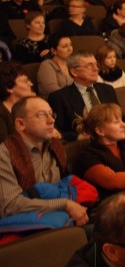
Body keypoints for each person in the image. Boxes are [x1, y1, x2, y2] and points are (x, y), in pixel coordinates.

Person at [0, 96, 91, 226]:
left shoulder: (55, 146)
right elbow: (9, 206)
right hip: (27, 227)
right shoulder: (4, 154)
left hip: (63, 218)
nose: (51, 120)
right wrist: (64, 205)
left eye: (51, 114)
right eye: (42, 115)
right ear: (20, 124)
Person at [48, 52, 119, 141]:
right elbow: (57, 132)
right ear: (74, 72)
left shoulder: (107, 89)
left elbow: (121, 118)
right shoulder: (59, 97)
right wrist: (79, 137)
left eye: (96, 64)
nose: (96, 69)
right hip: (85, 146)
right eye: (89, 65)